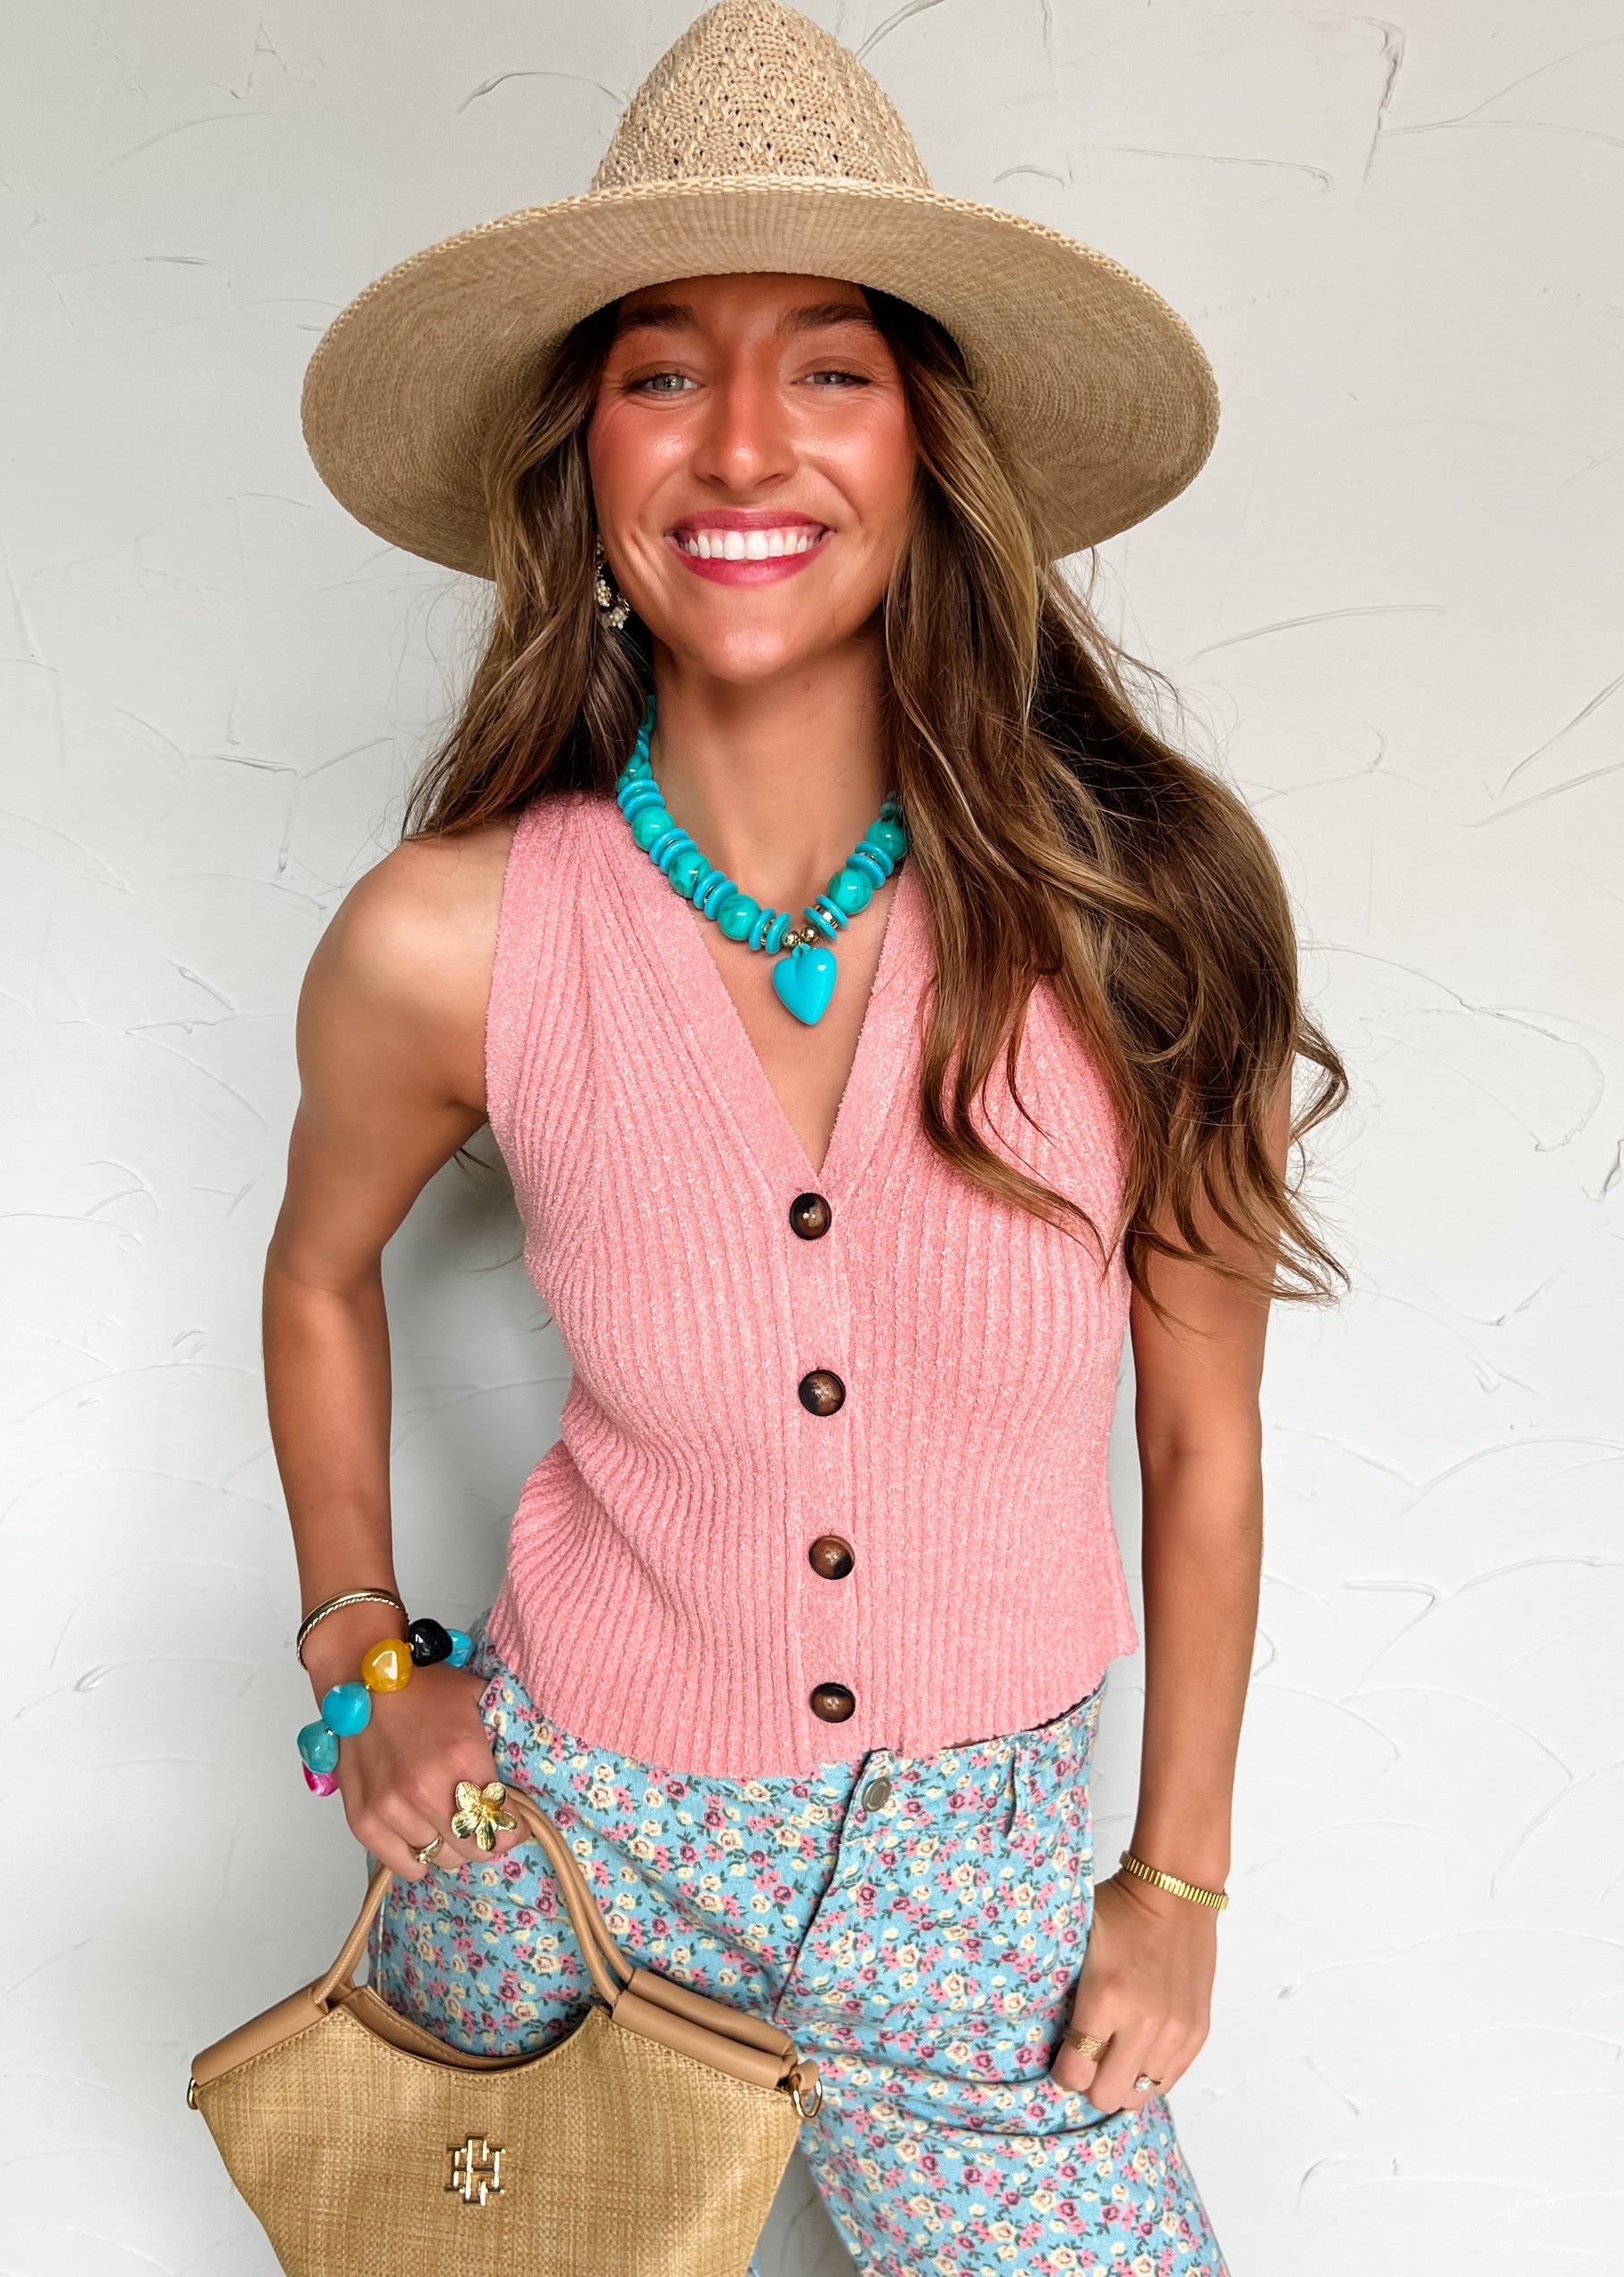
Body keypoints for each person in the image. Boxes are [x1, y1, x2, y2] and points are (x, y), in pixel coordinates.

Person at [266, 4, 1345, 2271]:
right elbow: (317, 1266)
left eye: (830, 366)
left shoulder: (1137, 926)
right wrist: (366, 1650)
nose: (741, 438)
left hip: (977, 1889)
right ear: (585, 451)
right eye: (662, 369)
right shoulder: (447, 937)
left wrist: (1173, 1877)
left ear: (936, 445)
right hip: (554, 1857)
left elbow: (1206, 1439)